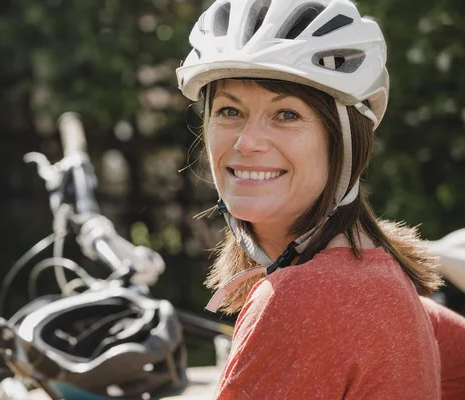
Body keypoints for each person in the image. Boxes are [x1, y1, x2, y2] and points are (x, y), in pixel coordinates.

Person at [175, 0, 465, 398]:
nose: (247, 142)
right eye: (229, 111)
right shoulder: (384, 284)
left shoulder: (300, 302)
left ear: (344, 143)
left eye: (287, 115)